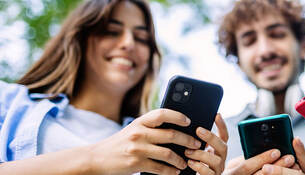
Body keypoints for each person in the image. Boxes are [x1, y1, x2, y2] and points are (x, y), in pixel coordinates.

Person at [0, 0, 227, 174]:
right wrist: (96, 158)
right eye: (111, 31)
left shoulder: (157, 140)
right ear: (80, 39)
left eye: (140, 38)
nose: (128, 43)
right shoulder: (9, 102)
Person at [216, 0, 305, 174]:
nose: (265, 51)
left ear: (303, 45)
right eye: (249, 41)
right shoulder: (215, 141)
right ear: (239, 61)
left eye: (277, 34)